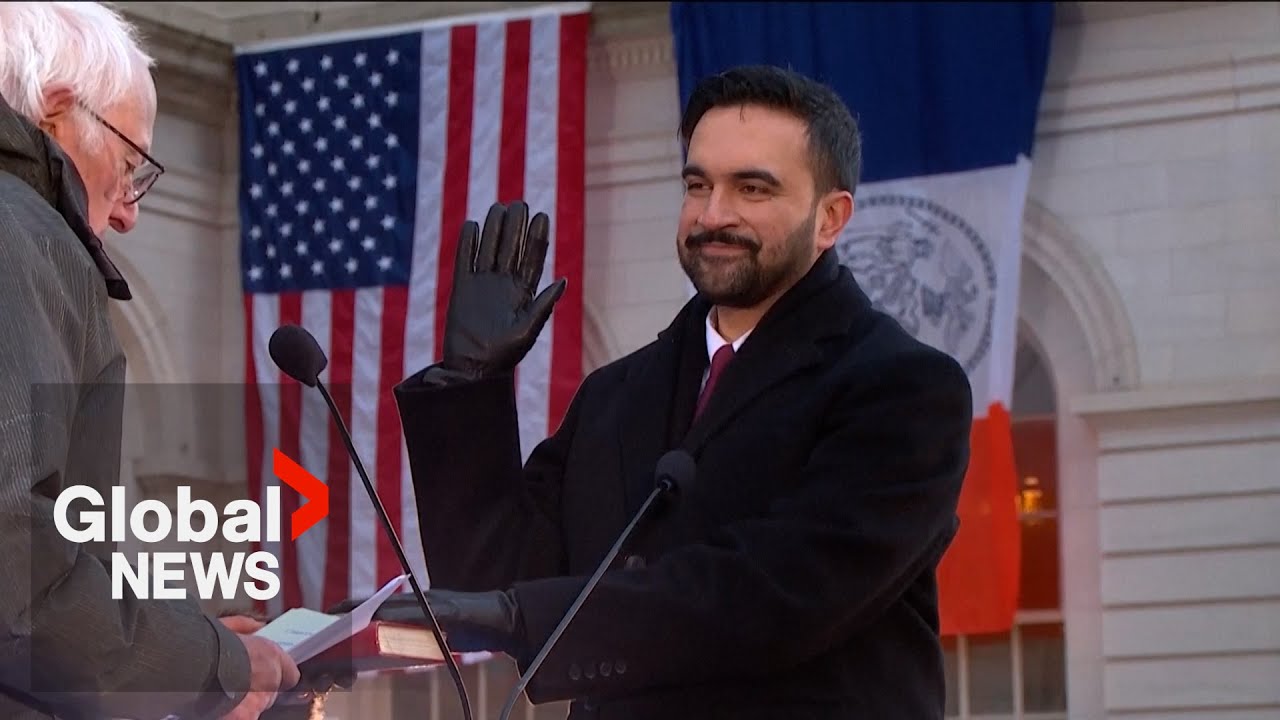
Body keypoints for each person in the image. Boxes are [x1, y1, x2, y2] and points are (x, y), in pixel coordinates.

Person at [361, 64, 972, 718]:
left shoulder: (903, 388)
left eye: (752, 189)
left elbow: (775, 596)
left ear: (830, 218)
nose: (713, 215)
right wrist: (470, 389)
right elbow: (498, 580)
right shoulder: (614, 395)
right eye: (697, 184)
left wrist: (523, 613)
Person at [0, 4, 303, 719]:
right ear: (54, 113)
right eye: (130, 164)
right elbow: (20, 566)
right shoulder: (20, 230)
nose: (131, 210)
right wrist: (212, 666)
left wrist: (185, 644)